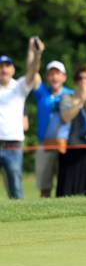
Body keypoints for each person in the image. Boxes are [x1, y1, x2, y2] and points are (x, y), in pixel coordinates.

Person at [0, 38, 44, 199]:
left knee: (16, 188)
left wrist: (36, 53)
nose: (4, 70)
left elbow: (32, 71)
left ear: (12, 69)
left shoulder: (19, 86)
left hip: (13, 144)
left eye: (7, 66)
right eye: (1, 66)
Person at [57, 65, 86, 197]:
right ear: (76, 80)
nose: (84, 81)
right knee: (68, 190)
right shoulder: (67, 98)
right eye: (81, 78)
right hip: (71, 146)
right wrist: (80, 102)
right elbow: (66, 117)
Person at [32, 60, 74, 198]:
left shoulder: (71, 94)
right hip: (45, 145)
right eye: (51, 74)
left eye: (57, 73)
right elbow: (33, 73)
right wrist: (36, 54)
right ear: (47, 77)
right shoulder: (42, 93)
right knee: (45, 188)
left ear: (64, 77)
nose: (54, 77)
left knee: (65, 186)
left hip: (66, 146)